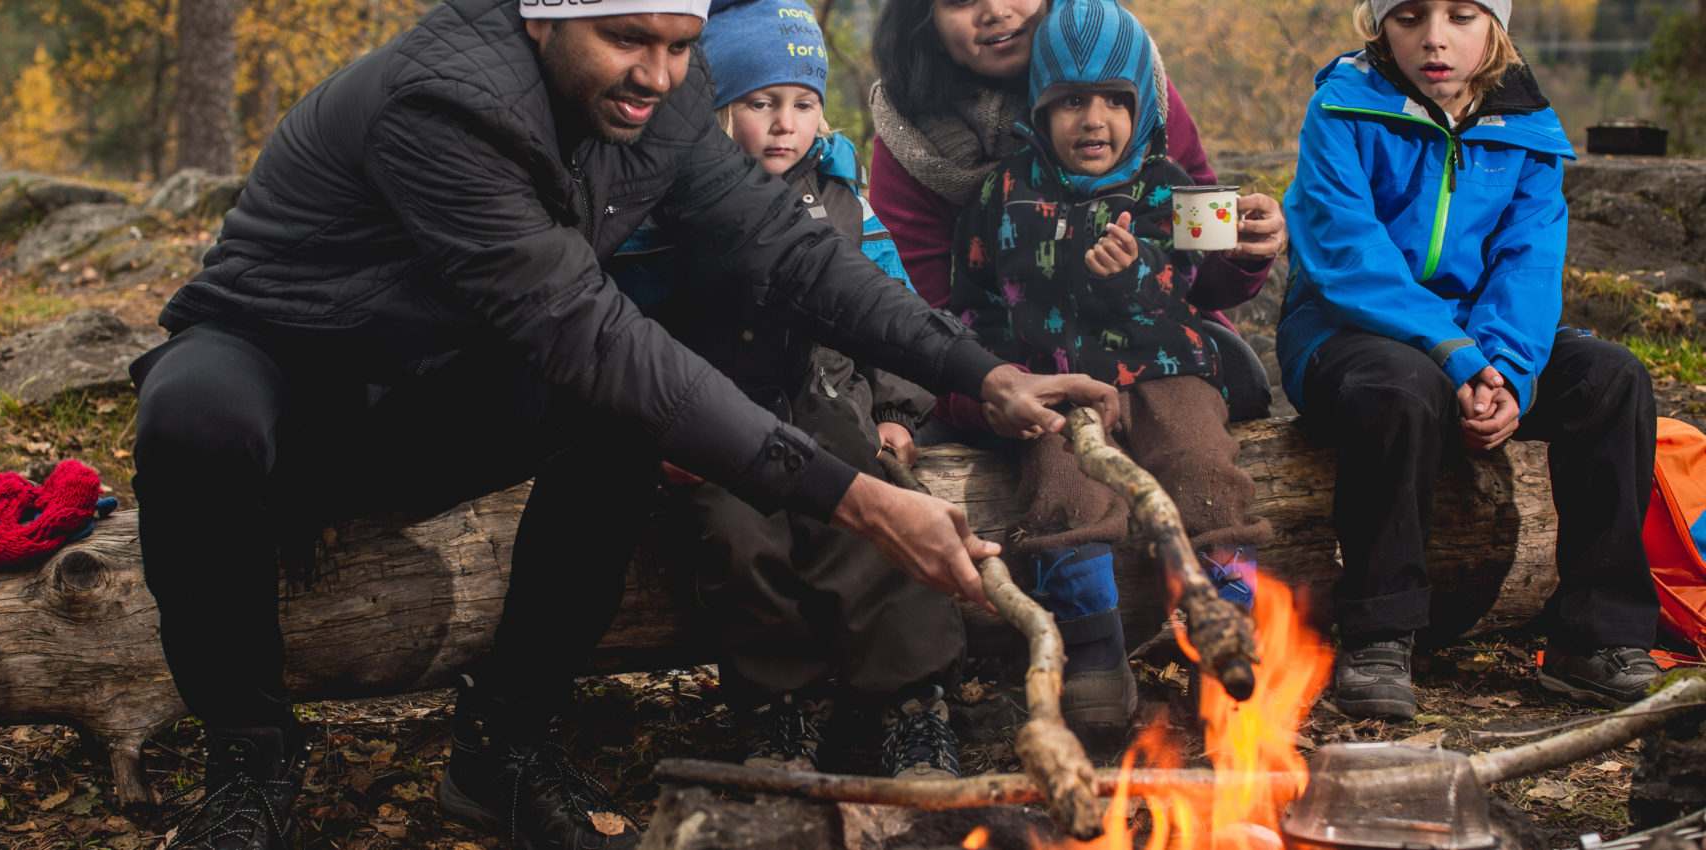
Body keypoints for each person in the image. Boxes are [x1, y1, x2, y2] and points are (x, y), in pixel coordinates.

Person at [128, 1, 1119, 848]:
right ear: (544, 15)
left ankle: (503, 746)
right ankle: (251, 754)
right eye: (625, 40)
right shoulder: (448, 104)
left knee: (614, 412)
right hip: (290, 380)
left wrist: (981, 374)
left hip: (436, 391)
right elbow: (591, 335)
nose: (657, 73)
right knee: (193, 413)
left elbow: (792, 251)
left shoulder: (664, 103)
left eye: (683, 44)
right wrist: (855, 499)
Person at [609, 0, 965, 780]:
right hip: (721, 428)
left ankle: (912, 706)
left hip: (838, 414)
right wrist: (659, 435)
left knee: (882, 534)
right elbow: (631, 328)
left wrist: (901, 410)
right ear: (715, 111)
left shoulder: (845, 200)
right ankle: (781, 715)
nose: (784, 123)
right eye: (760, 103)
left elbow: (892, 306)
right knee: (739, 544)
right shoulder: (673, 205)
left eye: (803, 104)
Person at [1279, 0, 1662, 720]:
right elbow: (1347, 255)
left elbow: (1528, 265)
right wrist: (1455, 355)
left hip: (1477, 342)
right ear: (1379, 25)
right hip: (1344, 331)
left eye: (1462, 14)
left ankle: (1595, 637)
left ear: (1495, 26)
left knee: (1614, 378)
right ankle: (1379, 633)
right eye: (1409, 16)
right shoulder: (1342, 108)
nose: (1435, 38)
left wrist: (1510, 373)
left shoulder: (1528, 131)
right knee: (1402, 382)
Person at [946, 0, 1271, 748]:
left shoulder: (1168, 186)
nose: (1092, 120)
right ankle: (1092, 651)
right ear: (1040, 108)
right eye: (1069, 101)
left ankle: (1224, 631)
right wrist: (995, 379)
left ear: (1141, 106)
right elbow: (972, 307)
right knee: (1059, 484)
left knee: (1202, 464)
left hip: (1168, 368)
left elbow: (1201, 282)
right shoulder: (998, 196)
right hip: (1059, 380)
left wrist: (1227, 252)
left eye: (1113, 102)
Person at [867, 0, 1288, 425]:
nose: (995, 10)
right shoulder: (910, 144)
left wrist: (1243, 253)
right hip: (1011, 384)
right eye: (960, 0)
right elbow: (922, 323)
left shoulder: (1132, 81)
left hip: (1163, 357)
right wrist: (991, 397)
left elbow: (1198, 263)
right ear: (921, 19)